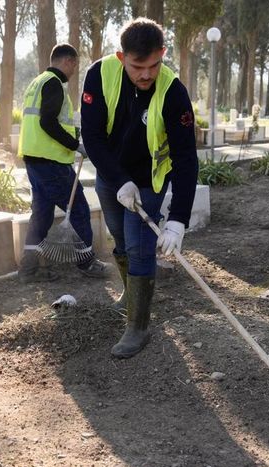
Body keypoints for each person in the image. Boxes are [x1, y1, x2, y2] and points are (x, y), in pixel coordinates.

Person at [81, 18, 199, 359]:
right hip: (111, 173)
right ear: (122, 58)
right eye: (137, 67)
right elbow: (92, 137)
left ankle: (138, 325)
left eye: (154, 65)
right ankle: (131, 292)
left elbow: (186, 158)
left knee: (139, 245)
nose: (147, 74)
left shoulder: (173, 91)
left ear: (163, 54)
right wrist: (120, 181)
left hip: (150, 178)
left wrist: (178, 220)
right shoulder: (99, 76)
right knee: (118, 234)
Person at [17, 43, 109, 282]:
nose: (73, 71)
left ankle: (28, 270)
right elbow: (48, 122)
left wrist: (75, 139)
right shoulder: (54, 84)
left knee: (42, 214)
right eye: (74, 65)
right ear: (68, 61)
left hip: (35, 160)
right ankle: (86, 263)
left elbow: (46, 120)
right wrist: (73, 144)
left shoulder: (37, 82)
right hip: (51, 162)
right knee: (78, 207)